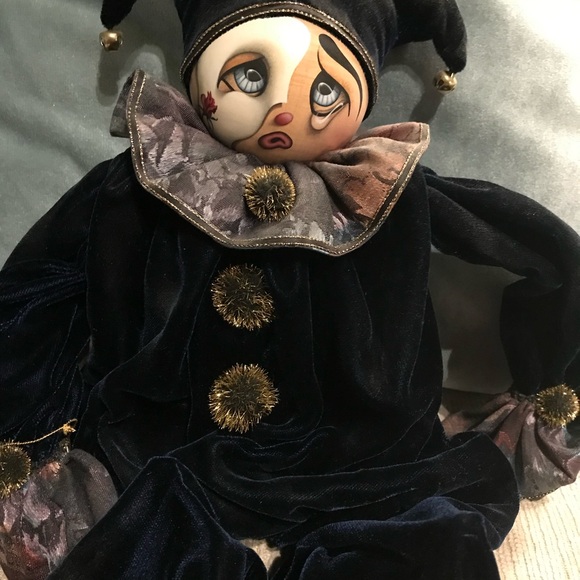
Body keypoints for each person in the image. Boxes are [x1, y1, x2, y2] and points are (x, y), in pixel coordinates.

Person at [0, 0, 578, 577]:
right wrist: (25, 417)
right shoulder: (150, 175)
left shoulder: (384, 191)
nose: (281, 107)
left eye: (324, 91)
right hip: (152, 439)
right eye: (251, 76)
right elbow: (40, 281)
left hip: (358, 452)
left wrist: (546, 386)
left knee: (418, 549)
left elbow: (539, 246)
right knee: (112, 538)